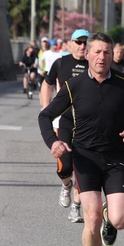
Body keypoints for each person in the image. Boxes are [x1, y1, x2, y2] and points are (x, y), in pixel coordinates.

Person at [38, 32, 124, 246]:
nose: (102, 57)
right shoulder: (74, 85)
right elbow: (45, 115)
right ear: (87, 54)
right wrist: (53, 142)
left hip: (115, 158)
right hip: (85, 158)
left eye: (107, 52)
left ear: (112, 55)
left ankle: (110, 215)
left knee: (120, 220)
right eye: (97, 52)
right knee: (92, 219)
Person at [40, 29, 90, 223]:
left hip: (87, 123)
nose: (82, 46)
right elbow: (47, 84)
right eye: (78, 42)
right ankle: (66, 185)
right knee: (65, 166)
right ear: (70, 43)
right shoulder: (61, 62)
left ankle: (76, 207)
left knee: (83, 167)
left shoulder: (93, 63)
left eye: (86, 42)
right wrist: (46, 108)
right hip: (64, 120)